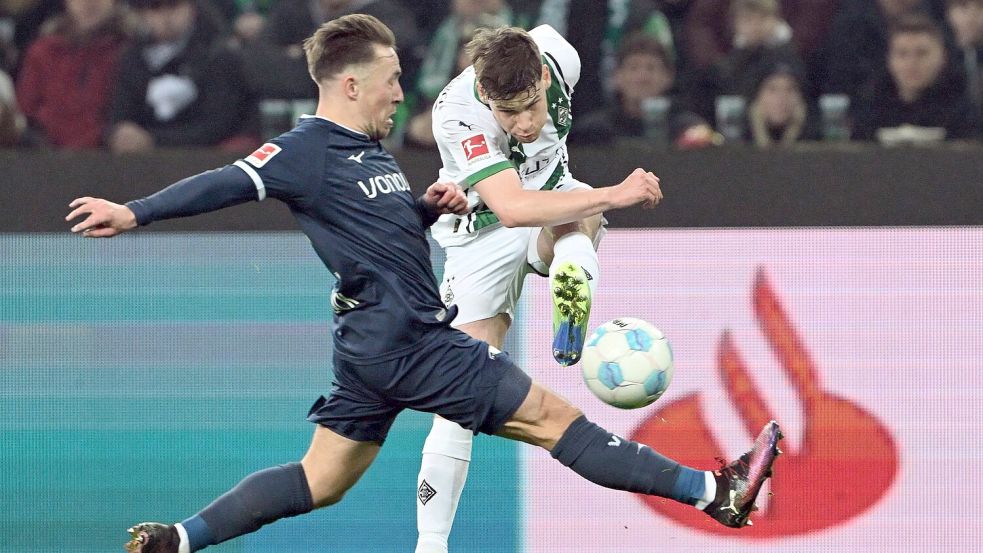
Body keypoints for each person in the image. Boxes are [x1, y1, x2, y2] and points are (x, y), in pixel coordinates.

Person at [65, 14, 781, 553]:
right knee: (558, 423)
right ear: (351, 84)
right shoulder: (304, 149)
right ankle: (715, 492)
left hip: (371, 346)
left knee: (319, 480)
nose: (401, 93)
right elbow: (226, 181)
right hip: (411, 340)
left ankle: (180, 539)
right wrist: (135, 210)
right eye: (390, 81)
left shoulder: (363, 154)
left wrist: (421, 207)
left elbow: (371, 230)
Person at [415, 24, 713, 553]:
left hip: (555, 203)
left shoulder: (561, 57)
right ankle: (432, 543)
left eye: (532, 105)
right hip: (482, 235)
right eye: (510, 113)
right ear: (486, 94)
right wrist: (614, 194)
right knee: (458, 393)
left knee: (580, 215)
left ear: (543, 74)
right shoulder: (456, 112)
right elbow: (510, 208)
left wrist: (596, 200)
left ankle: (569, 281)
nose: (526, 123)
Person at [106, 0, 252, 152]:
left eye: (173, 6)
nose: (166, 17)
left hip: (205, 162)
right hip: (141, 164)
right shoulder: (133, 58)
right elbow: (120, 113)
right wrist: (121, 134)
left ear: (191, 8)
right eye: (155, 8)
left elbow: (220, 125)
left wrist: (154, 140)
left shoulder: (219, 56)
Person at [15, 0, 130, 148]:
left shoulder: (128, 53)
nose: (89, 3)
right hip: (44, 160)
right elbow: (25, 113)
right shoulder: (42, 53)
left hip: (109, 160)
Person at [569, 32, 714, 148]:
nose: (642, 77)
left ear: (668, 77)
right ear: (616, 77)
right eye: (633, 68)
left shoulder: (687, 129)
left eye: (651, 68)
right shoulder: (591, 132)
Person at [851, 14, 982, 141]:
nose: (912, 63)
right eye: (902, 54)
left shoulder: (963, 112)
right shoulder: (871, 108)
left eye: (922, 53)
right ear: (889, 60)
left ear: (942, 58)